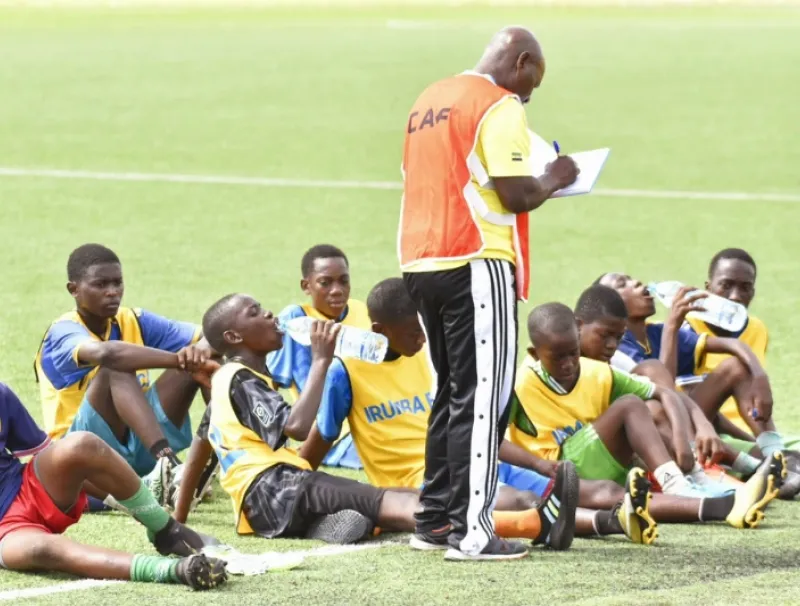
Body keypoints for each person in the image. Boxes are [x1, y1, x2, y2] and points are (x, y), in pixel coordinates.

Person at [175, 293, 554, 561]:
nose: (269, 313)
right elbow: (297, 427)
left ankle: (328, 524)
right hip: (278, 487)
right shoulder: (239, 378)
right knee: (404, 505)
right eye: (255, 312)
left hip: (264, 509)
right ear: (234, 337)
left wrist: (177, 521)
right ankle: (533, 525)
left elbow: (200, 447)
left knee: (385, 501)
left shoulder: (223, 381)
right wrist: (321, 360)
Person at [397, 25, 579, 560]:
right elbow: (516, 193)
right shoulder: (498, 104)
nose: (529, 95)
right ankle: (472, 532)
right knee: (483, 399)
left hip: (419, 260)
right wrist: (557, 175)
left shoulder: (429, 99)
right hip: (475, 258)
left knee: (451, 393)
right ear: (521, 62)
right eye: (532, 82)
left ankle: (434, 521)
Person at [297, 278, 578, 550]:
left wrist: (537, 464)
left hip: (471, 460)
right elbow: (321, 438)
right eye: (414, 333)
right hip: (425, 485)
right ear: (380, 330)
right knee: (524, 501)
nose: (423, 338)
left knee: (580, 493)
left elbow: (466, 426)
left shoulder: (429, 356)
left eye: (425, 329)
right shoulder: (346, 371)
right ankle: (558, 525)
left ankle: (603, 518)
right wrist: (295, 487)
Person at [507, 302, 784, 529]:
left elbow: (666, 393)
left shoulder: (596, 371)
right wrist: (535, 464)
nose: (568, 364)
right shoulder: (521, 385)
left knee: (649, 403)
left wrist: (682, 439)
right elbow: (492, 438)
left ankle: (700, 481)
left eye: (573, 353)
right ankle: (687, 480)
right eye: (558, 357)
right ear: (534, 354)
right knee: (631, 404)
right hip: (555, 470)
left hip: (599, 464)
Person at [0, 382, 225, 589]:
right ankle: (177, 570)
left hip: (25, 489)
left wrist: (123, 503)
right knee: (41, 550)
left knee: (81, 445)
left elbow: (48, 456)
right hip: (8, 532)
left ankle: (167, 530)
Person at [34, 244, 215, 497]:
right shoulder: (62, 332)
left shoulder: (133, 319)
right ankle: (169, 465)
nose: (112, 292)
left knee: (206, 358)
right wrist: (179, 360)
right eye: (100, 284)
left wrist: (200, 353)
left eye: (117, 283)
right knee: (114, 368)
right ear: (73, 289)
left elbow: (213, 335)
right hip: (84, 455)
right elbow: (108, 354)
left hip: (138, 444)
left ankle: (225, 459)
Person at [597, 272, 790, 459]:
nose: (637, 282)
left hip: (686, 419)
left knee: (736, 367)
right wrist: (672, 326)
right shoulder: (617, 346)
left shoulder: (655, 332)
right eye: (622, 284)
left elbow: (733, 345)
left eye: (631, 279)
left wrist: (759, 376)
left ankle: (774, 450)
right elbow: (663, 395)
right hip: (657, 432)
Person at [683, 248, 800, 456]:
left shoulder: (756, 328)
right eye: (726, 285)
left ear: (752, 293)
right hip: (709, 429)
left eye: (745, 288)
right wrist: (750, 441)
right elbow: (690, 406)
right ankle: (773, 454)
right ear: (708, 288)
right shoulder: (686, 328)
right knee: (735, 367)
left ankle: (775, 451)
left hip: (756, 432)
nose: (735, 296)